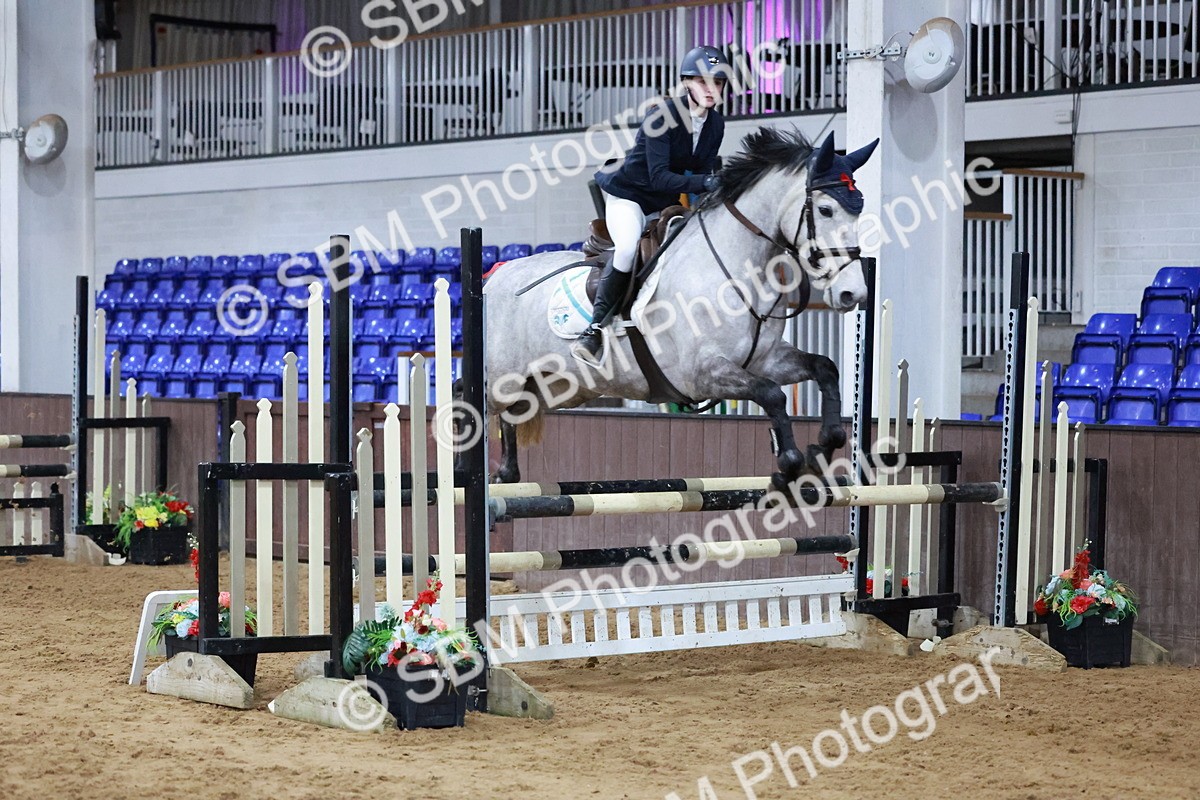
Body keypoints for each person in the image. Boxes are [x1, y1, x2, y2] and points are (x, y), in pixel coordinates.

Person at [573, 45, 730, 365]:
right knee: (629, 247)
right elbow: (660, 177)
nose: (711, 89)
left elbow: (702, 173)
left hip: (666, 201)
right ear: (687, 83)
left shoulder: (716, 125)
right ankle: (594, 329)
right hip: (630, 195)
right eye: (703, 82)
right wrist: (705, 184)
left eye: (718, 82)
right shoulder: (663, 115)